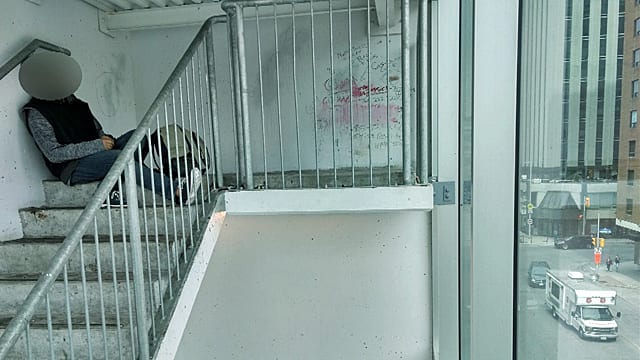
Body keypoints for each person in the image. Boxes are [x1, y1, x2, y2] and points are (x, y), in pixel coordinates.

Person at [19, 51, 201, 207]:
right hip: (71, 167)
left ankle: (110, 191)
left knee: (137, 137)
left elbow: (97, 130)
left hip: (96, 155)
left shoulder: (77, 104)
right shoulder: (37, 113)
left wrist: (103, 140)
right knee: (119, 158)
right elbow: (54, 154)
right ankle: (176, 191)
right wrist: (98, 145)